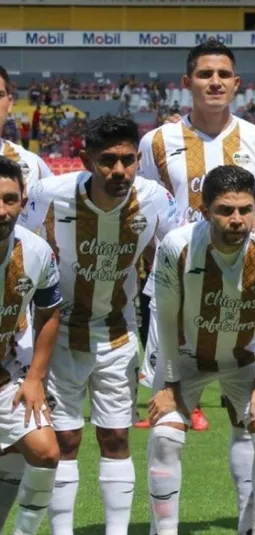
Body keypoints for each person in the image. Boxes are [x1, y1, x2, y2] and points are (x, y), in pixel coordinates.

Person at [136, 38, 255, 535]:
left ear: (237, 83)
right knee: (168, 424)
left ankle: (251, 523)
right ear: (188, 82)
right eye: (205, 74)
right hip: (175, 295)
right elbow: (143, 215)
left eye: (224, 73)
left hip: (240, 296)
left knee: (248, 418)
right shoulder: (155, 143)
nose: (215, 82)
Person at [19, 114, 180, 535]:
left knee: (116, 437)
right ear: (86, 160)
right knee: (65, 440)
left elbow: (182, 248)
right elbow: (17, 247)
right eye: (108, 160)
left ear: (138, 158)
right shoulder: (50, 194)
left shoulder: (156, 199)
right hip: (59, 335)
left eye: (128, 160)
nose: (119, 170)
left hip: (118, 332)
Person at [146, 164, 255, 535]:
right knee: (165, 437)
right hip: (184, 357)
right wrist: (169, 383)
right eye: (225, 210)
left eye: (246, 209)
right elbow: (165, 316)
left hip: (243, 359)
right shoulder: (177, 246)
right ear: (204, 211)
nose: (237, 219)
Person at [0, 64, 55, 524]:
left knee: (41, 450)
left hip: (9, 362)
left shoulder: (30, 163)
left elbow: (49, 305)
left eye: (9, 200)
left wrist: (34, 375)